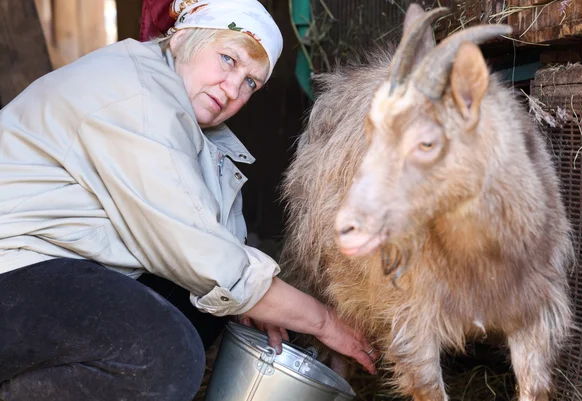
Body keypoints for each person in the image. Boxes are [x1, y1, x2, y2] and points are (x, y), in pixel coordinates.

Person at [0, 0, 378, 400]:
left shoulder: (188, 121)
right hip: (11, 265)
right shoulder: (136, 97)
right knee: (161, 352)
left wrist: (258, 299)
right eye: (228, 60)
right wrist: (323, 322)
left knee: (199, 307)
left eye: (251, 82)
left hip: (40, 265)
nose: (234, 89)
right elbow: (202, 253)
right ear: (182, 39)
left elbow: (217, 243)